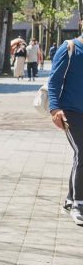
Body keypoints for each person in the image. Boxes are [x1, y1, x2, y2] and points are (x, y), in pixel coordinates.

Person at [49, 37, 83, 224]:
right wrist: (54, 109)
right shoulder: (69, 48)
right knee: (82, 152)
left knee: (80, 156)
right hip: (71, 112)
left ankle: (70, 200)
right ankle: (79, 205)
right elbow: (54, 80)